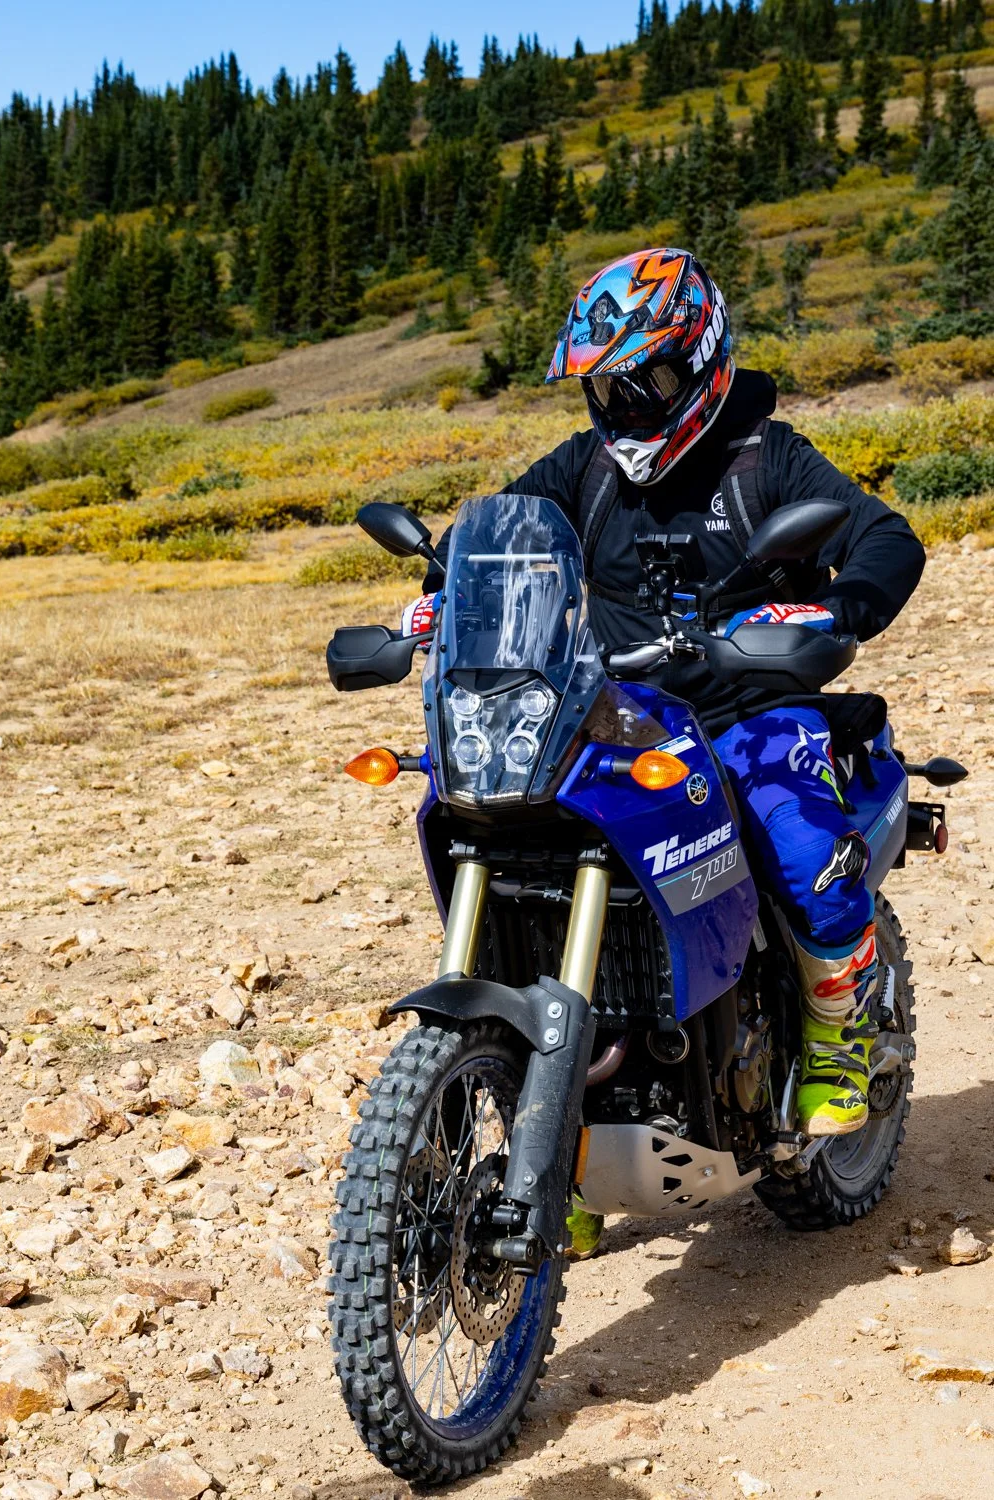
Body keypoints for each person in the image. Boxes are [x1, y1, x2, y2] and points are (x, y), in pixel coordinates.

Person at [404, 248, 925, 1258]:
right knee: (523, 861)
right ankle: (555, 1131)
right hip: (615, 717)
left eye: (647, 380)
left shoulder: (765, 459)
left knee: (797, 839)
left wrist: (831, 610)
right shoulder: (584, 471)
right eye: (608, 386)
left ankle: (837, 1036)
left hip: (747, 706)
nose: (626, 404)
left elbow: (885, 538)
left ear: (703, 362)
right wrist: (438, 600)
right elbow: (490, 542)